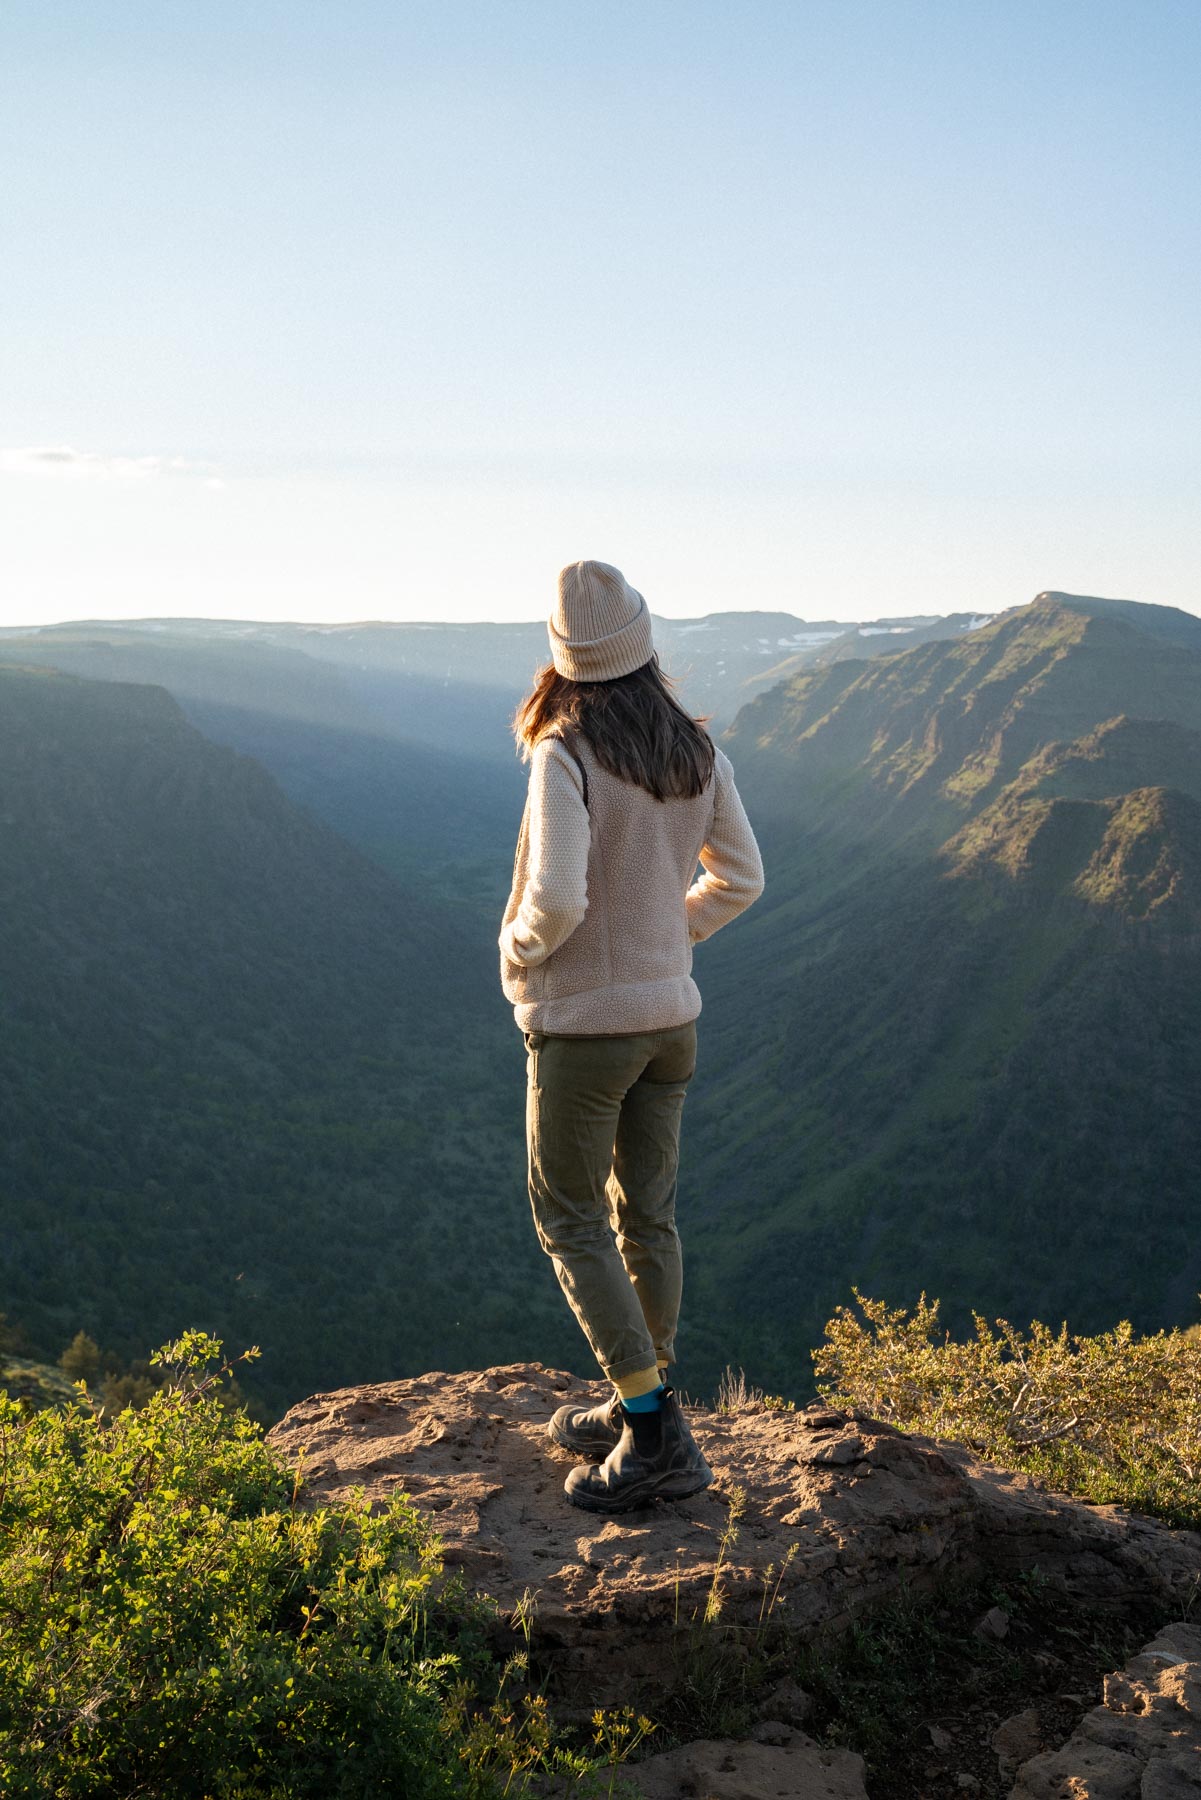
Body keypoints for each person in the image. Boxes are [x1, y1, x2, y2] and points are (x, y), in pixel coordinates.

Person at [499, 561, 764, 1513]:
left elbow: (556, 900)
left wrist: (518, 953)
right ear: (643, 643)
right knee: (645, 1218)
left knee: (569, 1220)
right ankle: (638, 1396)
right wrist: (667, 940)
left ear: (561, 656)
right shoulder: (695, 750)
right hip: (671, 1027)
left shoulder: (563, 749)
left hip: (587, 1031)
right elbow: (740, 879)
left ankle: (653, 1437)